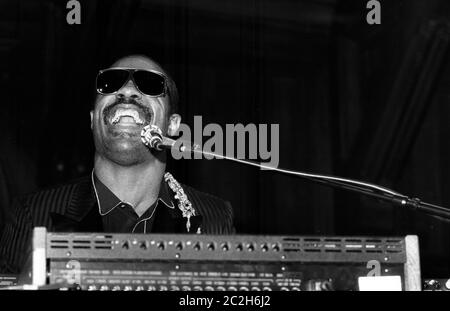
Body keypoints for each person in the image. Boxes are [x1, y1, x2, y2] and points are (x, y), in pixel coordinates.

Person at [0, 55, 235, 274]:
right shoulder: (32, 215)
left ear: (172, 126)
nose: (128, 90)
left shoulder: (214, 217)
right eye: (110, 83)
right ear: (93, 120)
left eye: (150, 84)